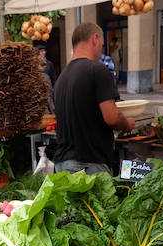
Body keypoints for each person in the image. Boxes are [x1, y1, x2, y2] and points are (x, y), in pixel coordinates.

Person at [53, 22, 134, 175]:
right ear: (95, 39)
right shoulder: (98, 70)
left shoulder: (61, 77)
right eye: (102, 45)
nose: (100, 51)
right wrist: (126, 124)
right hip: (89, 164)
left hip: (62, 163)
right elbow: (112, 117)